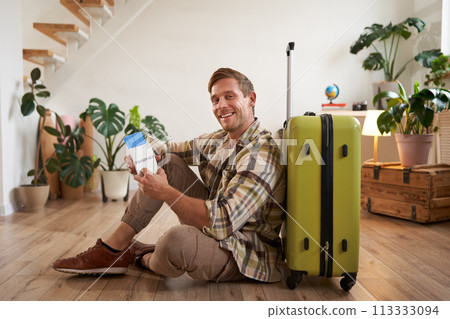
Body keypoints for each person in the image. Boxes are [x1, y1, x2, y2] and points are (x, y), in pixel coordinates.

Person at [53, 68, 286, 283]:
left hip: (244, 252)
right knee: (168, 162)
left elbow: (223, 222)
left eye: (229, 96)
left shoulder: (260, 154)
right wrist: (142, 155)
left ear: (251, 99)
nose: (221, 105)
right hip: (216, 231)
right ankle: (113, 249)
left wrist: (165, 191)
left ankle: (139, 256)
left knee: (177, 241)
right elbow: (167, 149)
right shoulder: (220, 140)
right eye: (215, 100)